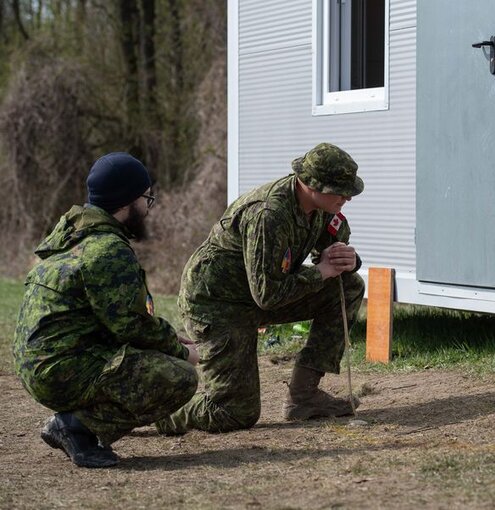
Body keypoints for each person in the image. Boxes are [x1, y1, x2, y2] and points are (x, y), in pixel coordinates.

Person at [156, 142, 365, 435]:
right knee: (233, 412)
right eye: (340, 190)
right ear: (312, 185)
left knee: (348, 285)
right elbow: (268, 294)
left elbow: (333, 248)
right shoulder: (270, 214)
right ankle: (153, 414)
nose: (347, 198)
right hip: (217, 306)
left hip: (257, 295)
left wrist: (348, 260)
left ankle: (304, 397)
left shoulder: (319, 208)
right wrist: (319, 272)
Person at [13, 152, 200, 468]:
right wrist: (182, 353)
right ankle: (75, 428)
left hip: (40, 364)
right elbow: (131, 326)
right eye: (146, 199)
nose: (148, 208)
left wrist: (169, 339)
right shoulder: (108, 250)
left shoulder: (73, 236)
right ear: (127, 203)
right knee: (180, 377)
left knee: (157, 357)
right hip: (60, 370)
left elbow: (117, 317)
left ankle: (76, 423)